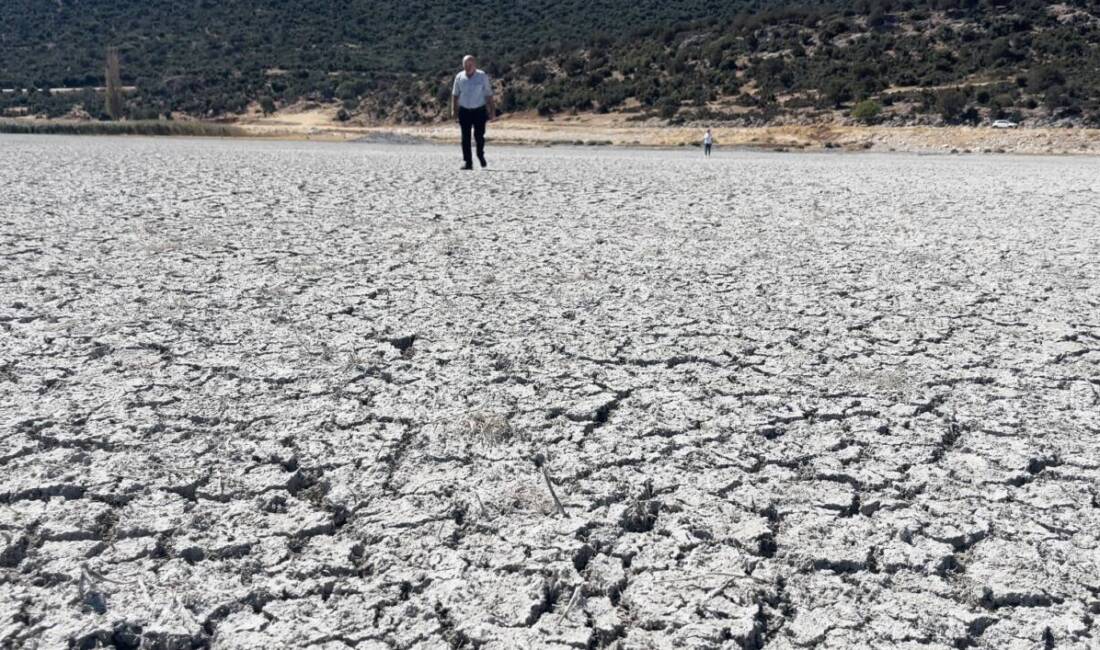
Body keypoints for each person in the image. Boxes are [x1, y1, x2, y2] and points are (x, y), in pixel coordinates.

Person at [452, 55, 495, 170]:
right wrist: (454, 111)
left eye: (470, 64)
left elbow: (489, 94)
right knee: (465, 138)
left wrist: (492, 111)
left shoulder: (482, 76)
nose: (467, 67)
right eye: (465, 64)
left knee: (479, 136)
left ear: (474, 64)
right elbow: (455, 95)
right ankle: (468, 162)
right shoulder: (459, 77)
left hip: (479, 111)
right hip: (464, 111)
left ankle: (480, 154)